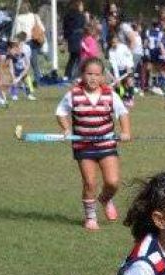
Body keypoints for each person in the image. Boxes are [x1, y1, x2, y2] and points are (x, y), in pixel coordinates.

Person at [55, 57, 131, 230]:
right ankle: (90, 217)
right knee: (90, 183)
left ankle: (105, 199)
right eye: (89, 74)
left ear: (102, 77)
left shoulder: (110, 95)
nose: (93, 78)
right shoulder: (73, 95)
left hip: (106, 145)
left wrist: (125, 132)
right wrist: (67, 129)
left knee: (112, 182)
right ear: (82, 74)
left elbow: (123, 113)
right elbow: (60, 113)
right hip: (84, 146)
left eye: (97, 74)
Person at [63, 0, 86, 80]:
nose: (83, 7)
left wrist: (66, 38)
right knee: (79, 58)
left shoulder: (67, 16)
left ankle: (67, 75)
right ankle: (77, 75)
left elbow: (65, 28)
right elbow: (83, 27)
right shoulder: (81, 16)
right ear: (78, 6)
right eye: (81, 5)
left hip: (71, 38)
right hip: (78, 38)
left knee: (72, 58)